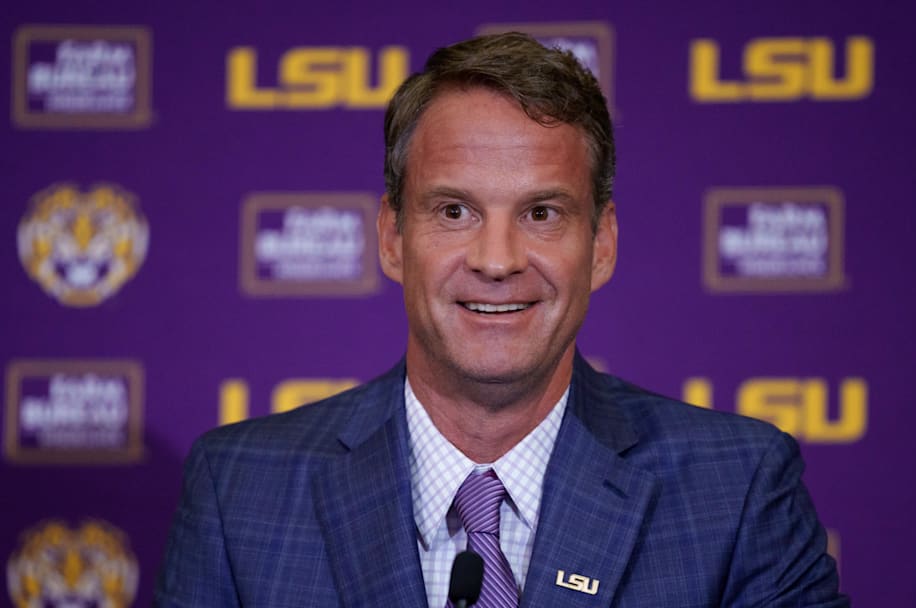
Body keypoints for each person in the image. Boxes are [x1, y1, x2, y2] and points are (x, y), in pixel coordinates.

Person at [155, 32, 847, 607]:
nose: (496, 260)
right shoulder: (240, 490)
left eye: (541, 214)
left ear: (601, 245)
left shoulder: (738, 488)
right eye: (454, 211)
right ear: (393, 238)